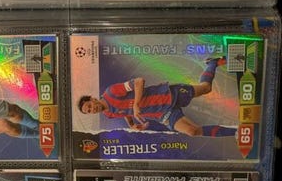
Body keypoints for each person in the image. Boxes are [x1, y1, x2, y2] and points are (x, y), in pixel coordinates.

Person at [78, 57, 237, 138]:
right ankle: (236, 133)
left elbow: (139, 82)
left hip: (167, 95)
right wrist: (132, 124)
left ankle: (212, 63)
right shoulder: (108, 113)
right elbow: (125, 112)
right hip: (162, 114)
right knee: (192, 131)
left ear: (92, 99)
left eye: (90, 106)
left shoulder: (112, 92)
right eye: (89, 111)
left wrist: (136, 104)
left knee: (206, 88)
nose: (93, 109)